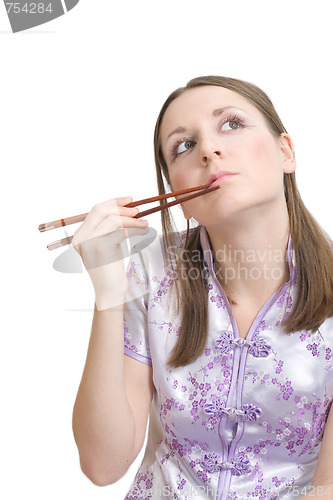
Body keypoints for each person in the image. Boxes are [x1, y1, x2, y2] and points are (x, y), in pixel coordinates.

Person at [71, 76, 333, 499]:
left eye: (231, 124)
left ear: (286, 152)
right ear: (176, 191)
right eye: (183, 146)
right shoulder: (150, 270)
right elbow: (103, 464)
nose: (209, 150)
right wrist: (108, 293)